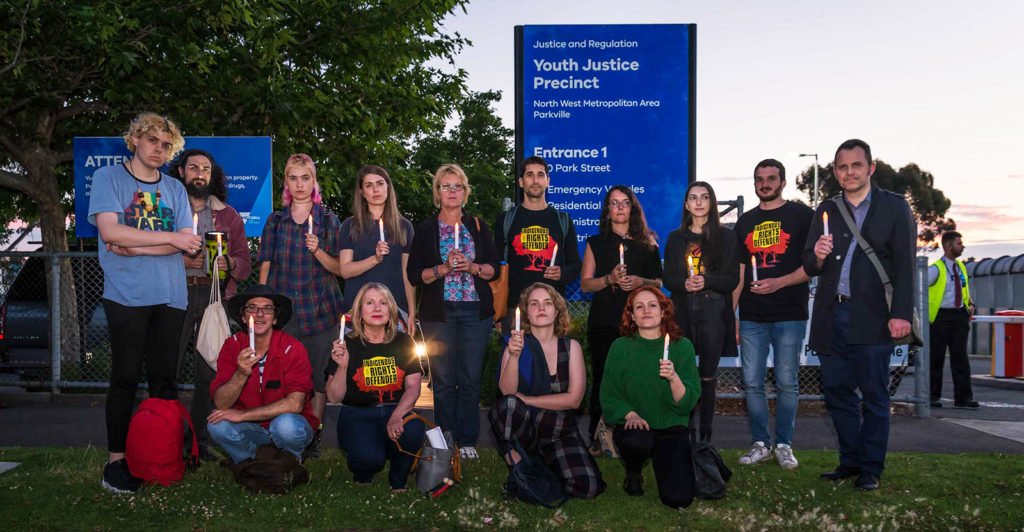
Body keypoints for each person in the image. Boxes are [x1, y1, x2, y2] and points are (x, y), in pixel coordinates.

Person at [88, 112, 202, 493]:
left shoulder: (174, 188)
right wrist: (168, 241)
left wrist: (133, 247)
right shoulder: (109, 178)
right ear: (135, 139)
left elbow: (188, 240)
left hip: (171, 295)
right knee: (124, 378)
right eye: (153, 140)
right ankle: (116, 463)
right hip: (127, 296)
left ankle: (163, 455)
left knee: (164, 380)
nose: (159, 149)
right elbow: (109, 230)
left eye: (167, 145)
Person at [803, 139, 915, 491]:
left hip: (873, 317)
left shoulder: (895, 208)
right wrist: (818, 256)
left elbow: (905, 267)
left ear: (870, 168)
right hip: (830, 315)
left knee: (875, 396)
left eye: (856, 165)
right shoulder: (827, 209)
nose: (849, 172)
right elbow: (808, 264)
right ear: (835, 172)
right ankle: (849, 461)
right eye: (842, 167)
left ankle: (871, 468)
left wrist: (900, 314)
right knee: (837, 393)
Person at [407, 163, 499, 459]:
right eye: (445, 186)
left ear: (465, 192)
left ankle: (468, 438)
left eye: (457, 186)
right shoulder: (425, 229)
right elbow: (413, 275)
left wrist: (471, 267)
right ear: (437, 192)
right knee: (443, 378)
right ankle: (445, 437)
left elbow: (493, 269)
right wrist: (442, 269)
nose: (451, 192)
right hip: (438, 312)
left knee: (470, 376)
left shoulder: (479, 226)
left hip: (475, 311)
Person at [256, 153, 344, 458]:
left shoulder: (329, 220)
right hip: (286, 314)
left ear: (314, 182)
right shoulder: (275, 221)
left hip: (320, 312)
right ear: (286, 183)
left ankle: (314, 435)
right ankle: (283, 432)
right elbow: (265, 264)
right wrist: (262, 305)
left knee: (320, 379)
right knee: (286, 378)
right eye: (293, 177)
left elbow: (338, 268)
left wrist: (318, 250)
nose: (300, 184)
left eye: (305, 178)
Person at [171, 148, 252, 462]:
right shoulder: (168, 210)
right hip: (174, 294)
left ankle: (199, 443)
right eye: (193, 167)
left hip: (215, 297)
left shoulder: (227, 214)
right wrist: (177, 256)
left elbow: (245, 263)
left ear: (212, 174)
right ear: (182, 172)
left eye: (205, 168)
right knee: (169, 368)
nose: (199, 173)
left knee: (210, 373)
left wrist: (227, 263)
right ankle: (168, 438)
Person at [732, 159, 814, 469]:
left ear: (783, 182)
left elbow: (812, 266)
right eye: (759, 179)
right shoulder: (745, 222)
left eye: (771, 178)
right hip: (752, 316)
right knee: (752, 383)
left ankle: (783, 444)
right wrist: (732, 313)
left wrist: (779, 282)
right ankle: (760, 443)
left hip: (790, 314)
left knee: (786, 382)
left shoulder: (802, 216)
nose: (764, 183)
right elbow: (739, 274)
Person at [489, 283, 605, 499]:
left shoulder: (571, 347)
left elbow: (574, 400)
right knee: (510, 405)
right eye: (534, 303)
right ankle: (521, 458)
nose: (541, 308)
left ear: (557, 309)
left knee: (586, 487)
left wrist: (529, 400)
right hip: (527, 432)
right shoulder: (515, 345)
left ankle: (539, 468)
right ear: (526, 312)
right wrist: (514, 356)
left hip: (559, 432)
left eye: (547, 303)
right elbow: (507, 394)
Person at [600, 287, 700, 509]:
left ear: (663, 311)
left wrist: (674, 378)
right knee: (636, 440)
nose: (646, 310)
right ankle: (634, 472)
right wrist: (630, 413)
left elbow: (687, 403)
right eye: (639, 306)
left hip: (671, 424)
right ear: (632, 316)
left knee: (679, 499)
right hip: (637, 425)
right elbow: (609, 394)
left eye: (652, 305)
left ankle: (666, 460)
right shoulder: (621, 347)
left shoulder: (682, 347)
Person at [580, 185, 663, 452]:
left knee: (638, 378)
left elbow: (660, 282)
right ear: (607, 210)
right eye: (613, 203)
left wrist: (641, 281)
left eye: (624, 203)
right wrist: (609, 279)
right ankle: (598, 433)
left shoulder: (647, 243)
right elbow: (585, 285)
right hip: (604, 321)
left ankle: (635, 433)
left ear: (632, 208)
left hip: (638, 322)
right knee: (605, 377)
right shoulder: (595, 243)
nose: (619, 208)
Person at [324, 283, 425, 492]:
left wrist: (397, 415)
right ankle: (364, 471)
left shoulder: (404, 341)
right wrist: (342, 367)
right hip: (358, 413)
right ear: (360, 311)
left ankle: (398, 479)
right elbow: (334, 397)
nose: (377, 308)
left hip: (395, 408)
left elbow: (414, 387)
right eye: (369, 303)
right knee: (369, 458)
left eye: (383, 303)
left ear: (391, 310)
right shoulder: (346, 345)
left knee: (414, 428)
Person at [207, 285, 317, 464]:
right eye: (252, 308)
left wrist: (242, 416)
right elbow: (221, 403)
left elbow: (295, 403)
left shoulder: (293, 348)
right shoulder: (232, 346)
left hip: (285, 424)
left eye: (267, 309)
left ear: (275, 319)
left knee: (285, 426)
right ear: (244, 317)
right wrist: (241, 374)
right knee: (216, 424)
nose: (259, 314)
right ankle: (252, 462)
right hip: (252, 428)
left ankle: (290, 462)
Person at [663, 181, 738, 442]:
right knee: (683, 373)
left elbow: (732, 280)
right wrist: (682, 283)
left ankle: (705, 436)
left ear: (711, 202)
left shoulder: (726, 237)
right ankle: (684, 430)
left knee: (707, 377)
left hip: (712, 312)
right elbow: (668, 278)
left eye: (704, 197)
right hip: (682, 310)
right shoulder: (675, 238)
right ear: (686, 204)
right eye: (693, 197)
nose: (698, 202)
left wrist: (706, 280)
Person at [493, 156, 581, 333]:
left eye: (540, 175)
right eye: (529, 175)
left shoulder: (562, 220)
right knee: (515, 359)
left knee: (553, 360)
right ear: (520, 181)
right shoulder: (506, 220)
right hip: (515, 308)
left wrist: (562, 273)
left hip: (552, 307)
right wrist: (497, 311)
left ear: (548, 181)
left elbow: (575, 265)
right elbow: (495, 265)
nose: (535, 180)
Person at [338, 165, 416, 333]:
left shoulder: (404, 227)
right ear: (361, 192)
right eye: (368, 185)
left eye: (380, 183)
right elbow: (345, 270)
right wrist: (375, 259)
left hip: (395, 311)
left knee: (399, 359)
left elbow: (407, 273)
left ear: (388, 186)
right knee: (357, 359)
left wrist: (411, 311)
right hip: (357, 312)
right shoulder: (350, 226)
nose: (375, 189)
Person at [928, 231, 978, 409]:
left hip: (959, 316)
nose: (962, 246)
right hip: (940, 317)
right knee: (936, 358)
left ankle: (963, 398)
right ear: (948, 246)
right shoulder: (935, 269)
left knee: (960, 357)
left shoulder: (961, 267)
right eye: (959, 243)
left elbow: (964, 290)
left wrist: (969, 304)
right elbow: (920, 290)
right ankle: (932, 397)